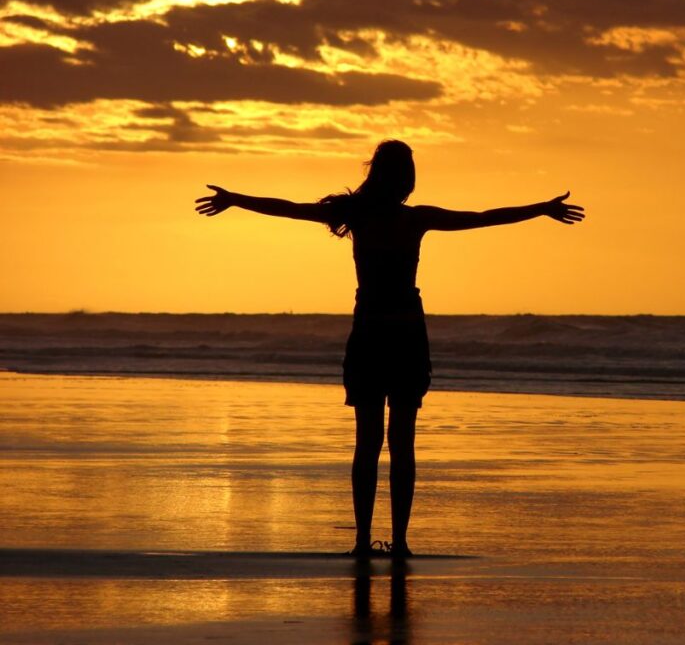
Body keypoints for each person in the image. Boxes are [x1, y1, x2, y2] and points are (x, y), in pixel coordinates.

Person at [195, 139, 585, 558]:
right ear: (407, 179)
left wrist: (236, 199)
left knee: (368, 442)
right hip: (405, 336)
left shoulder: (356, 214)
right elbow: (482, 219)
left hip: (370, 334)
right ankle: (398, 542)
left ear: (374, 173)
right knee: (401, 444)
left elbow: (289, 207)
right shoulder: (413, 219)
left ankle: (364, 541)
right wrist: (540, 209)